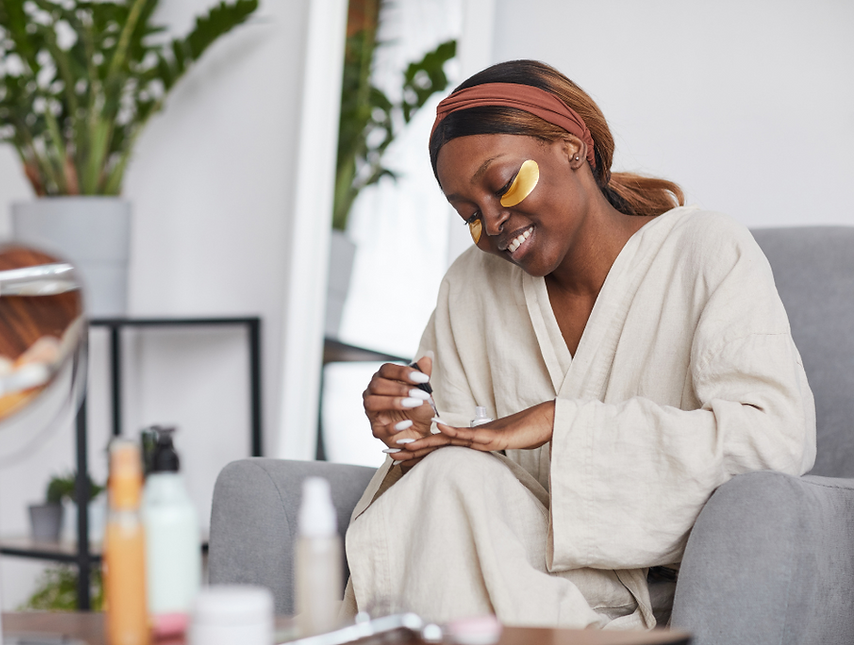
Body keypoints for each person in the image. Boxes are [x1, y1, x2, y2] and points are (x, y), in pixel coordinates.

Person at [340, 60, 816, 630]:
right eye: (469, 215)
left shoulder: (705, 250)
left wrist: (559, 422)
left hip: (640, 593)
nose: (492, 223)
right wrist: (419, 432)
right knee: (446, 477)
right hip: (501, 572)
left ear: (572, 147)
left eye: (504, 184)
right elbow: (458, 484)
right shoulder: (471, 285)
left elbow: (775, 441)